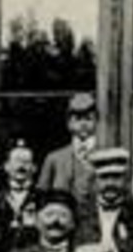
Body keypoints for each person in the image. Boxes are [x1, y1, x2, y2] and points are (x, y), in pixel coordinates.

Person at [81, 148, 133, 252]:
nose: (110, 184)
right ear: (95, 181)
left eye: (116, 178)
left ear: (126, 180)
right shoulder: (81, 213)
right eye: (104, 178)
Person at [37, 92, 99, 220]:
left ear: (96, 121)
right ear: (68, 123)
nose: (83, 124)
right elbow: (41, 198)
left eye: (88, 118)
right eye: (77, 119)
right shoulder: (54, 159)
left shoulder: (104, 156)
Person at [0, 140, 39, 242]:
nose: (21, 167)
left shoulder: (42, 199)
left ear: (34, 168)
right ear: (6, 166)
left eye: (26, 162)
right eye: (16, 161)